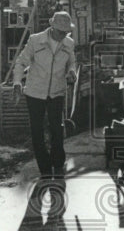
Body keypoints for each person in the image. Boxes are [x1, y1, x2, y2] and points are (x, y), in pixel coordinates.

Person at [13, 11, 77, 180]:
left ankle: (58, 164)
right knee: (37, 131)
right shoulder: (35, 40)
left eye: (66, 32)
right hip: (35, 92)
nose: (64, 35)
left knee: (57, 129)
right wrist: (17, 82)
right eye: (61, 32)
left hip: (57, 91)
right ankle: (45, 169)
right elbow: (21, 62)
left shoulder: (69, 43)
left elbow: (72, 62)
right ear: (52, 27)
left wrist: (71, 71)